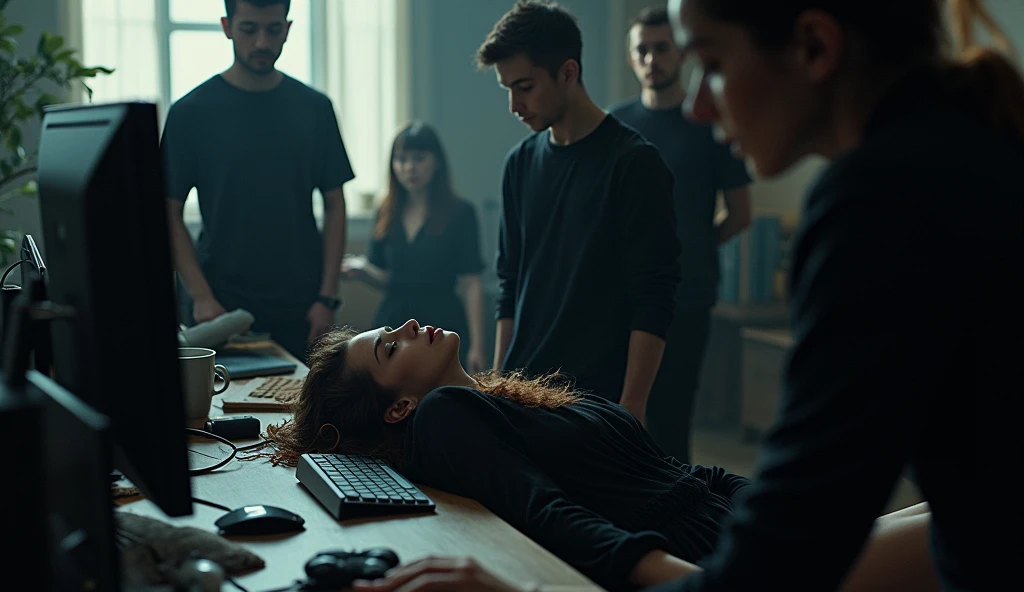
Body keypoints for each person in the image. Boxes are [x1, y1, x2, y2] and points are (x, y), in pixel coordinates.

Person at [349, 0, 1024, 590]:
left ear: (815, 46)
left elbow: (775, 568)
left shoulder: (875, 203)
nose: (699, 105)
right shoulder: (963, 148)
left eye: (711, 61)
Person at [259, 320, 938, 592]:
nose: (409, 326)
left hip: (740, 521)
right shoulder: (447, 416)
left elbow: (680, 474)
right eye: (390, 348)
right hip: (706, 557)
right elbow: (550, 515)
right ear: (399, 408)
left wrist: (783, 508)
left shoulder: (505, 398)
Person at [480, 1, 682, 425]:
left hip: (595, 400)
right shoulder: (519, 163)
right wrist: (498, 383)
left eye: (525, 86)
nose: (514, 105)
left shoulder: (634, 163)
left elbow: (654, 295)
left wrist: (633, 404)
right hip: (522, 391)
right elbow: (509, 283)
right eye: (507, 90)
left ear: (568, 73)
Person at [162, 0, 353, 361]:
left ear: (288, 28)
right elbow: (167, 209)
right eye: (249, 29)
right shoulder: (191, 112)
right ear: (227, 26)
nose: (263, 42)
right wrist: (201, 295)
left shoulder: (315, 108)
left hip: (302, 301)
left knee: (305, 414)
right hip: (220, 300)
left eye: (273, 29)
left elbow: (334, 203)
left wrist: (326, 298)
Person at [610, 7, 753, 463]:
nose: (652, 59)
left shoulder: (708, 123)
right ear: (632, 60)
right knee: (618, 413)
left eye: (662, 48)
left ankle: (675, 522)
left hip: (688, 297)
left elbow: (740, 213)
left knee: (671, 418)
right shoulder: (615, 126)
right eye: (642, 51)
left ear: (681, 54)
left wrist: (692, 249)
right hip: (622, 295)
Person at [340, 123, 487, 373]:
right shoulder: (385, 212)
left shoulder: (460, 212)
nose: (409, 168)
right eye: (401, 159)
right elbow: (387, 278)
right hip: (394, 321)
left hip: (441, 321)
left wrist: (479, 347)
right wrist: (362, 270)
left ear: (437, 162)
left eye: (419, 159)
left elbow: (471, 283)